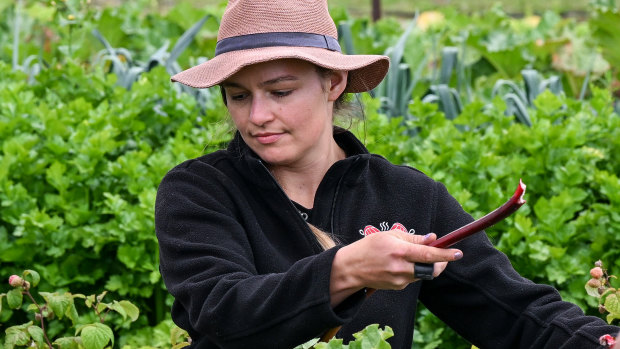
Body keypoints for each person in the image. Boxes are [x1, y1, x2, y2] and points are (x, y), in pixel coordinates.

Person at [154, 0, 619, 348]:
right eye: (238, 96)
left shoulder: (405, 196)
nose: (257, 116)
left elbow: (512, 312)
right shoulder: (199, 192)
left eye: (280, 91)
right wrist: (349, 268)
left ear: (333, 83)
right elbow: (223, 314)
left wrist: (600, 341)